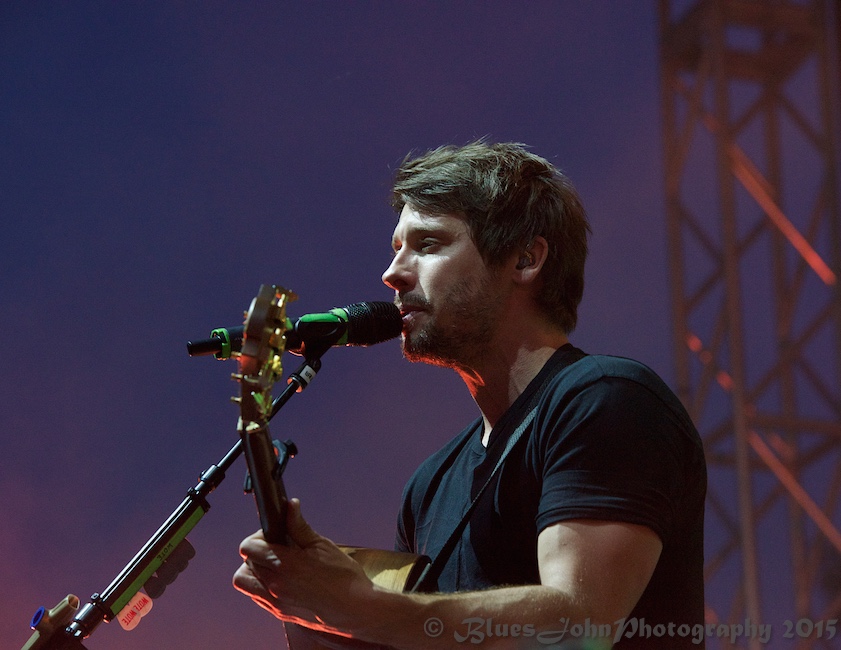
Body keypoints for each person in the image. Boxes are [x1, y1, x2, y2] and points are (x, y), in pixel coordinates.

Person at [233, 141, 707, 649]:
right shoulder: (429, 485)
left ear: (525, 258)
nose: (392, 273)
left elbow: (577, 626)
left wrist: (357, 605)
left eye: (429, 243)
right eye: (396, 247)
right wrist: (317, 615)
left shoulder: (606, 401)